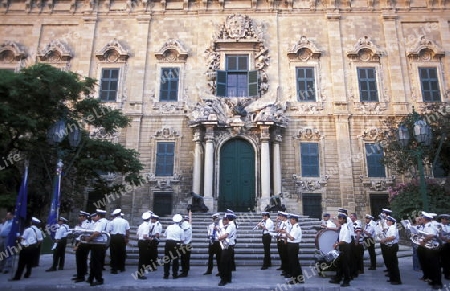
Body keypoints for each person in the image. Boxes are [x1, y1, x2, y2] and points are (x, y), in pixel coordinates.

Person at [85, 209, 108, 286]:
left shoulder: (100, 222)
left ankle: (99, 279)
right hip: (100, 244)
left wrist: (89, 238)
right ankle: (91, 277)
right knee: (94, 263)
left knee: (96, 263)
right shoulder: (106, 221)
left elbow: (97, 232)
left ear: (98, 216)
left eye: (96, 215)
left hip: (98, 244)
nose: (95, 217)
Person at [329, 213, 352, 287]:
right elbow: (341, 238)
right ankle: (338, 278)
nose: (339, 220)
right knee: (340, 264)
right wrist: (337, 242)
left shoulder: (346, 228)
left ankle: (347, 280)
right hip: (342, 246)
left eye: (340, 219)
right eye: (338, 218)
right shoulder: (342, 227)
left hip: (345, 247)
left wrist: (336, 244)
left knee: (345, 265)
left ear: (344, 220)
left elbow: (345, 240)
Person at [420, 211, 441, 289]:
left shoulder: (430, 226)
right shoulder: (426, 225)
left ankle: (437, 283)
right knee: (430, 265)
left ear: (425, 219)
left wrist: (423, 241)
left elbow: (431, 235)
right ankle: (432, 281)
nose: (420, 219)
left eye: (422, 217)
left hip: (432, 248)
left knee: (434, 265)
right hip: (428, 247)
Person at [380, 216, 402, 285]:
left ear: (392, 222)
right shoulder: (390, 228)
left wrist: (384, 240)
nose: (387, 222)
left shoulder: (393, 228)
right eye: (387, 221)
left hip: (392, 246)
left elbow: (393, 237)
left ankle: (397, 280)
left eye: (388, 221)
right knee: (390, 264)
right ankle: (392, 278)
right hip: (389, 246)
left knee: (393, 264)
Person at [108, 208, 130, 274]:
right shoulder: (125, 221)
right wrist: (127, 238)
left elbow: (108, 230)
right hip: (122, 237)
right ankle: (121, 267)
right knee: (122, 252)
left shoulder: (112, 222)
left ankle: (114, 269)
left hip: (114, 237)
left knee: (113, 253)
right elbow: (127, 231)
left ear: (114, 215)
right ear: (120, 214)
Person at [217, 212, 237, 286]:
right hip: (229, 246)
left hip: (227, 247)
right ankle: (228, 278)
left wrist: (218, 238)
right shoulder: (231, 225)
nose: (224, 220)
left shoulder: (231, 226)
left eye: (225, 219)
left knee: (223, 263)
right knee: (228, 263)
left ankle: (223, 279)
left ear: (228, 219)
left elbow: (226, 235)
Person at [72, 211, 91, 283]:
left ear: (84, 217)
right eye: (79, 216)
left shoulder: (87, 224)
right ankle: (79, 275)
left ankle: (81, 276)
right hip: (79, 241)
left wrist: (77, 245)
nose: (79, 217)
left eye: (80, 216)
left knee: (81, 260)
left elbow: (83, 235)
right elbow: (75, 233)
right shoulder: (81, 224)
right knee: (80, 260)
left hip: (83, 243)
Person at [163, 214, 184, 279]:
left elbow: (164, 235)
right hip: (176, 244)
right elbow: (182, 239)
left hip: (168, 243)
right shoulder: (181, 229)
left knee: (167, 259)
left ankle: (166, 274)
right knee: (175, 260)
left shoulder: (169, 227)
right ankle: (175, 274)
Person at [285, 214, 304, 284]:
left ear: (294, 220)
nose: (290, 221)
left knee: (293, 263)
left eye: (291, 219)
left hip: (293, 246)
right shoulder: (294, 227)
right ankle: (300, 278)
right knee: (295, 262)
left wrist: (287, 234)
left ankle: (295, 279)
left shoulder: (296, 228)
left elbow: (292, 238)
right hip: (292, 245)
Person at [136, 212, 151, 279]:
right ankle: (140, 274)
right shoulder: (146, 226)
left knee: (141, 258)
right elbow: (145, 236)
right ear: (149, 218)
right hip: (144, 242)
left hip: (140, 242)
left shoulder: (141, 225)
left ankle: (140, 273)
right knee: (143, 259)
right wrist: (151, 239)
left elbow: (138, 234)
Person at [275, 211, 289, 276]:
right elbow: (276, 229)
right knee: (281, 254)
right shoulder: (281, 222)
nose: (279, 217)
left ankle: (286, 269)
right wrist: (277, 222)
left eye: (280, 216)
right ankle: (283, 266)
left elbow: (286, 231)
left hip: (284, 240)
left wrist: (280, 230)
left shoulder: (287, 223)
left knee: (285, 255)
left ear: (283, 217)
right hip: (280, 239)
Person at [180, 211, 192, 277]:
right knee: (186, 259)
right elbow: (190, 221)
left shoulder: (182, 228)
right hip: (189, 244)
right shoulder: (190, 226)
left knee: (183, 258)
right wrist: (190, 213)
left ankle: (184, 272)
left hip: (184, 244)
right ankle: (186, 270)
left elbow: (182, 239)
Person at [438, 214, 450, 280]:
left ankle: (446, 272)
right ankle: (446, 274)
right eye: (445, 219)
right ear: (441, 219)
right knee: (444, 260)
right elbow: (440, 236)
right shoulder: (439, 226)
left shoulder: (449, 226)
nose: (447, 221)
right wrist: (446, 240)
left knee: (447, 260)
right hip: (442, 244)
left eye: (447, 220)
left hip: (448, 244)